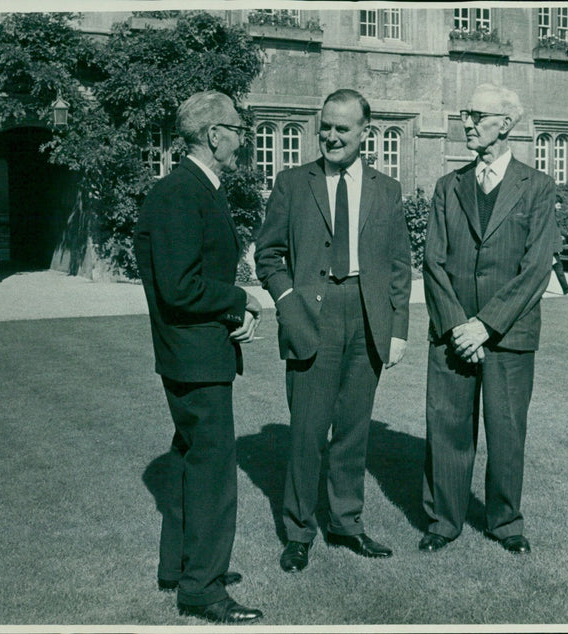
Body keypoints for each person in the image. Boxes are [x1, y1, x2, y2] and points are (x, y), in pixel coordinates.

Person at [254, 89, 412, 573]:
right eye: (325, 126)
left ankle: (345, 524)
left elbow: (400, 265)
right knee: (306, 432)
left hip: (367, 319)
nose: (331, 136)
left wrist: (398, 330)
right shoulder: (292, 182)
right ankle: (299, 532)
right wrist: (287, 303)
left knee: (352, 432)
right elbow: (268, 256)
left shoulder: (387, 190)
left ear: (366, 131)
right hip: (311, 318)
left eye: (343, 128)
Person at [134, 91, 263, 624]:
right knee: (212, 470)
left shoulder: (192, 189)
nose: (242, 138)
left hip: (195, 353)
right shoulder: (180, 193)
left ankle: (182, 569)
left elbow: (189, 281)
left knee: (191, 459)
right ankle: (203, 590)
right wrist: (241, 300)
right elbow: (181, 287)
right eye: (237, 128)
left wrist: (230, 314)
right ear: (214, 134)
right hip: (193, 358)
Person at [419, 83, 558, 556]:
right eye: (465, 114)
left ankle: (505, 521)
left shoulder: (536, 187)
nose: (468, 123)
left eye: (476, 115)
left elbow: (537, 266)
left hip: (508, 335)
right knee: (447, 427)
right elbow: (433, 261)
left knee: (506, 432)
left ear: (506, 123)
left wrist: (486, 325)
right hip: (452, 335)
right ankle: (443, 520)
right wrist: (460, 325)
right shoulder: (447, 186)